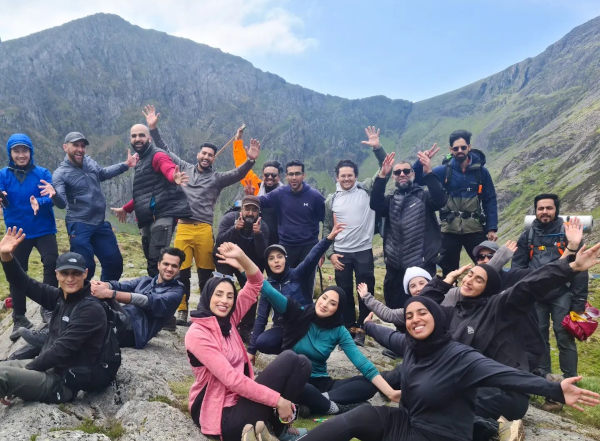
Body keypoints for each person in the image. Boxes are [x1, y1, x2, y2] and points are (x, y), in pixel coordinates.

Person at [298, 294, 600, 441]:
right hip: (408, 423)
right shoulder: (413, 346)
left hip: (439, 436)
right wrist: (369, 325)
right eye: (411, 315)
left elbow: (506, 375)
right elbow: (390, 334)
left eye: (423, 313)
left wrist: (554, 389)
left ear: (438, 318)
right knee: (362, 414)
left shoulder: (460, 357)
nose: (415, 319)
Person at [143, 106, 260, 325]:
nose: (206, 157)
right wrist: (153, 129)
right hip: (184, 227)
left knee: (207, 273)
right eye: (203, 153)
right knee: (181, 271)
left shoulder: (217, 178)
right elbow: (165, 150)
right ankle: (181, 310)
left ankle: (204, 310)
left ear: (214, 159)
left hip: (204, 229)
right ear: (198, 154)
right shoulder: (185, 167)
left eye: (210, 155)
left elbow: (238, 174)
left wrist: (250, 160)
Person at [185, 242, 310, 441]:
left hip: (240, 400)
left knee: (299, 361)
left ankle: (278, 428)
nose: (224, 301)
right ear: (207, 296)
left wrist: (242, 256)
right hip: (220, 413)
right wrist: (277, 399)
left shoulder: (229, 321)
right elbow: (231, 380)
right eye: (218, 295)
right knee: (288, 360)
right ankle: (265, 427)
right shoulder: (198, 333)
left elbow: (256, 283)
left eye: (229, 296)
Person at [258, 280, 401, 416]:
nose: (325, 304)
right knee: (302, 389)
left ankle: (317, 401)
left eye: (332, 303)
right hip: (296, 380)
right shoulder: (298, 313)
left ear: (338, 309)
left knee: (368, 384)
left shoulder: (339, 330)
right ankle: (331, 407)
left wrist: (390, 392)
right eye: (324, 297)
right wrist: (242, 265)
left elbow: (362, 363)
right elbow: (269, 291)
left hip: (322, 384)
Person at [0, 227, 110, 403]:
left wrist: (24, 373)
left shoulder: (91, 310)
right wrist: (6, 256)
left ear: (86, 274)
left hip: (62, 383)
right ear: (57, 274)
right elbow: (24, 283)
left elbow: (61, 351)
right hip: (45, 369)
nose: (70, 279)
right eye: (65, 273)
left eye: (76, 273)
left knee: (3, 376)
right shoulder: (60, 297)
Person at [511, 194, 588, 408]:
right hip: (536, 295)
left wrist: (579, 302)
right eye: (540, 208)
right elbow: (517, 267)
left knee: (565, 338)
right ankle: (545, 384)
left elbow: (580, 268)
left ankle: (571, 382)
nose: (544, 212)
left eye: (549, 208)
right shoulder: (527, 236)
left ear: (556, 210)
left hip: (562, 293)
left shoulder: (569, 235)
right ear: (535, 211)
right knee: (538, 338)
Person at [323, 126, 387, 344]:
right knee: (344, 292)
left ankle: (362, 327)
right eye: (343, 176)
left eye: (350, 175)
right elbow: (325, 228)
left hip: (363, 251)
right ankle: (347, 326)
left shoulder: (366, 189)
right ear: (337, 177)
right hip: (341, 253)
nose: (347, 179)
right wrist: (330, 253)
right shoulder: (331, 200)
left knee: (364, 291)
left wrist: (377, 147)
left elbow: (384, 167)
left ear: (356, 176)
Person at [111, 110, 191, 278]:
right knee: (151, 260)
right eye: (134, 136)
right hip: (147, 217)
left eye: (141, 135)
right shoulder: (140, 161)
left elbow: (167, 167)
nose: (137, 139)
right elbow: (145, 193)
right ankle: (157, 297)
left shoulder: (157, 155)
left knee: (158, 260)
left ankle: (166, 298)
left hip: (162, 215)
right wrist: (126, 209)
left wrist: (173, 176)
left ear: (149, 138)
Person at [247, 223, 344, 359]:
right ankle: (290, 353)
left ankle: (303, 349)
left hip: (305, 324)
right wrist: (251, 350)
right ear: (268, 263)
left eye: (279, 256)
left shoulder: (297, 274)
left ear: (285, 260)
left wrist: (328, 239)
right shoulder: (268, 286)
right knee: (263, 342)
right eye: (271, 258)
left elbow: (311, 257)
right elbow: (262, 318)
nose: (276, 261)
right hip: (283, 328)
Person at [52, 131, 137, 281]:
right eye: (75, 145)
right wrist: (53, 195)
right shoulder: (60, 174)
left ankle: (104, 296)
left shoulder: (89, 162)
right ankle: (79, 300)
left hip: (99, 223)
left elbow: (102, 173)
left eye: (82, 146)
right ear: (65, 147)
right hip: (79, 225)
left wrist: (125, 165)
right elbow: (61, 204)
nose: (80, 149)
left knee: (114, 263)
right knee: (85, 267)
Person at [414, 130, 498, 276]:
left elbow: (490, 199)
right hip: (449, 231)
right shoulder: (443, 171)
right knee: (448, 271)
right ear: (451, 150)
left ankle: (488, 297)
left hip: (475, 229)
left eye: (463, 147)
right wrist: (421, 162)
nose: (460, 151)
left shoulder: (481, 172)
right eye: (456, 148)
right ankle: (450, 297)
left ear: (469, 147)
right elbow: (418, 180)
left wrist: (492, 228)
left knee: (485, 266)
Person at [0, 133, 60, 339]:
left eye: (24, 150)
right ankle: (19, 318)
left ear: (30, 152)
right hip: (17, 233)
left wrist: (40, 203)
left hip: (44, 228)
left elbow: (50, 197)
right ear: (11, 153)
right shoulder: (3, 175)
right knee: (17, 271)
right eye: (16, 151)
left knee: (51, 262)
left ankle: (49, 308)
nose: (21, 154)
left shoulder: (42, 172)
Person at [370, 151, 446, 308]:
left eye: (406, 171)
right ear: (394, 177)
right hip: (394, 267)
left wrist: (428, 172)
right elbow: (375, 204)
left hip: (422, 264)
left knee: (426, 306)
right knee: (394, 305)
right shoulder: (391, 200)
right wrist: (381, 176)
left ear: (413, 173)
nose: (402, 174)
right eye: (397, 172)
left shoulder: (424, 197)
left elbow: (440, 200)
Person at [89, 247, 185, 348]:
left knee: (92, 325)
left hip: (135, 332)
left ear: (179, 269)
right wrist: (102, 285)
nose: (169, 269)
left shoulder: (177, 291)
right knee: (92, 299)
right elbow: (121, 285)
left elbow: (147, 301)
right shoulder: (146, 281)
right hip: (120, 317)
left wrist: (110, 293)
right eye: (166, 264)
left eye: (174, 266)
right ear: (158, 265)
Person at [213, 194, 269, 342]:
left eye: (254, 210)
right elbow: (219, 242)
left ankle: (246, 328)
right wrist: (234, 230)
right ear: (241, 210)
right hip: (226, 259)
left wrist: (258, 235)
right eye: (247, 209)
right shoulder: (229, 219)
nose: (250, 213)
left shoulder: (262, 226)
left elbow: (262, 254)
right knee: (222, 284)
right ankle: (217, 320)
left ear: (258, 212)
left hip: (249, 261)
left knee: (251, 291)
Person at [259, 159, 325, 270]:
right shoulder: (280, 193)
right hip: (286, 247)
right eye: (291, 174)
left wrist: (321, 250)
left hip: (309, 247)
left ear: (303, 175)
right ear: (286, 176)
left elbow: (327, 222)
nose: (294, 177)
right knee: (287, 283)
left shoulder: (315, 197)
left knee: (307, 284)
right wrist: (249, 197)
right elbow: (260, 201)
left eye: (297, 174)